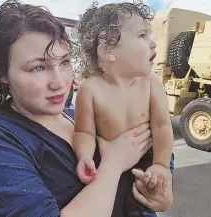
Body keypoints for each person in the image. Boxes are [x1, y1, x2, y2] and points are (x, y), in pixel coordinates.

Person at [0, 1, 174, 217]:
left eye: (65, 62)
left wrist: (158, 193)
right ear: (2, 72)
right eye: (38, 67)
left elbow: (151, 146)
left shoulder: (78, 116)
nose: (60, 82)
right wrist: (113, 164)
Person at [73, 2, 174, 217]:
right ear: (108, 50)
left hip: (150, 160)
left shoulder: (150, 82)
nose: (153, 43)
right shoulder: (89, 89)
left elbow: (162, 127)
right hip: (111, 163)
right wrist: (84, 156)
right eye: (142, 36)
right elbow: (84, 132)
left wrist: (161, 165)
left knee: (142, 206)